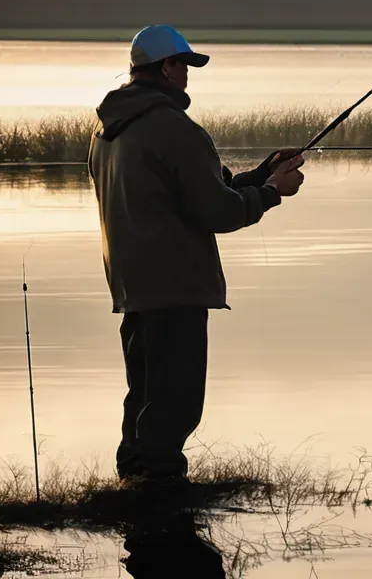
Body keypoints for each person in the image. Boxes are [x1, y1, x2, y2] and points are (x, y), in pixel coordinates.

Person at [88, 25, 305, 489]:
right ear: (166, 67)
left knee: (145, 393)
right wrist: (272, 193)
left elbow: (196, 190)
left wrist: (262, 173)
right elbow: (217, 210)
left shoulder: (107, 130)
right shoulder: (175, 128)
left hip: (133, 286)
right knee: (177, 399)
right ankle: (160, 487)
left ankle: (135, 479)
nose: (187, 76)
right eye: (184, 65)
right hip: (176, 284)